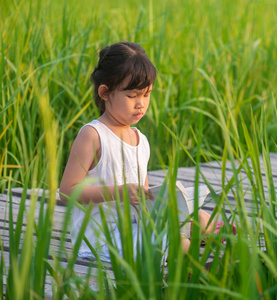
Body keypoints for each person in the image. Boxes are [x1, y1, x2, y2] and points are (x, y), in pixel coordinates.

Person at [59, 41, 215, 261]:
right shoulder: (93, 135)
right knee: (180, 244)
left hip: (136, 225)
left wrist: (163, 202)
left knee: (202, 218)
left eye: (147, 94)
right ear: (105, 92)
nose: (141, 104)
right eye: (132, 96)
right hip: (102, 238)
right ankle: (184, 238)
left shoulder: (140, 140)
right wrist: (119, 192)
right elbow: (66, 192)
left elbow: (142, 196)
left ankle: (194, 231)